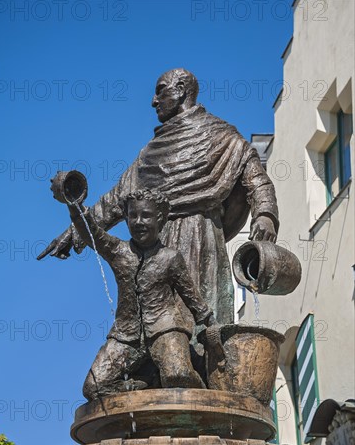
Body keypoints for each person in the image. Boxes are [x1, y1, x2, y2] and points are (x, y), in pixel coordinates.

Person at [38, 68, 279, 336]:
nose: (153, 101)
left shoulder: (221, 136)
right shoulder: (151, 152)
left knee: (201, 329)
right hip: (156, 244)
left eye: (160, 90)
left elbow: (256, 178)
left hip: (201, 239)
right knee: (155, 331)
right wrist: (73, 232)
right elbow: (117, 199)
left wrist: (265, 214)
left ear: (181, 91)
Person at [63, 188, 213, 400]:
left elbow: (193, 299)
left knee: (177, 376)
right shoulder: (117, 251)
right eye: (133, 216)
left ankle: (208, 395)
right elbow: (90, 233)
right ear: (126, 219)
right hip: (127, 336)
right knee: (93, 388)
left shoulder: (171, 258)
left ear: (160, 219)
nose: (139, 222)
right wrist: (74, 205)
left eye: (146, 216)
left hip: (165, 329)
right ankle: (145, 385)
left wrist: (211, 325)